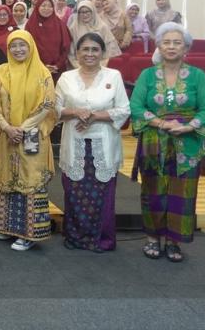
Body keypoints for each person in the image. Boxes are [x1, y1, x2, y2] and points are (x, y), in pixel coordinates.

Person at [130, 23, 205, 262]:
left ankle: (174, 242)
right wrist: (159, 123)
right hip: (153, 143)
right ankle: (152, 238)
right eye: (166, 42)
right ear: (158, 45)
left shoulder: (198, 75)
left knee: (182, 194)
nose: (171, 46)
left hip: (186, 143)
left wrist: (188, 126)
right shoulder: (147, 75)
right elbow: (135, 106)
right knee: (153, 192)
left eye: (177, 42)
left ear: (186, 47)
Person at [56, 33, 130, 252]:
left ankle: (102, 240)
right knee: (75, 192)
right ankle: (75, 238)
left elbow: (124, 110)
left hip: (104, 144)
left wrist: (94, 116)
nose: (89, 54)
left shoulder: (113, 76)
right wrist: (75, 112)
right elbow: (54, 109)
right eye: (85, 49)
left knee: (102, 194)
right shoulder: (66, 78)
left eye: (94, 49)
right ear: (77, 53)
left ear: (102, 53)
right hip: (74, 143)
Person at [0, 30, 57, 251]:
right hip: (7, 135)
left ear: (31, 47)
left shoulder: (42, 73)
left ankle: (29, 234)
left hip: (32, 135)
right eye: (13, 46)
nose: (18, 49)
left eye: (22, 45)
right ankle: (8, 227)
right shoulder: (0, 72)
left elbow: (47, 105)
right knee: (9, 178)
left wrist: (23, 129)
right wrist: (7, 128)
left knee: (30, 181)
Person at [25, 0, 72, 82]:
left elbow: (66, 47)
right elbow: (27, 48)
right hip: (35, 69)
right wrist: (41, 66)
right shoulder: (30, 25)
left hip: (57, 70)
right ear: (38, 7)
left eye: (50, 6)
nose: (46, 8)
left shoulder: (60, 24)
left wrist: (57, 65)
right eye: (43, 5)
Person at [67, 1, 122, 69]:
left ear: (93, 11)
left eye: (87, 11)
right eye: (81, 12)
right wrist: (78, 67)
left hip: (101, 66)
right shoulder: (73, 29)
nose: (84, 14)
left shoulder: (102, 27)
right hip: (79, 66)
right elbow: (70, 52)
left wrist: (101, 65)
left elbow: (111, 49)